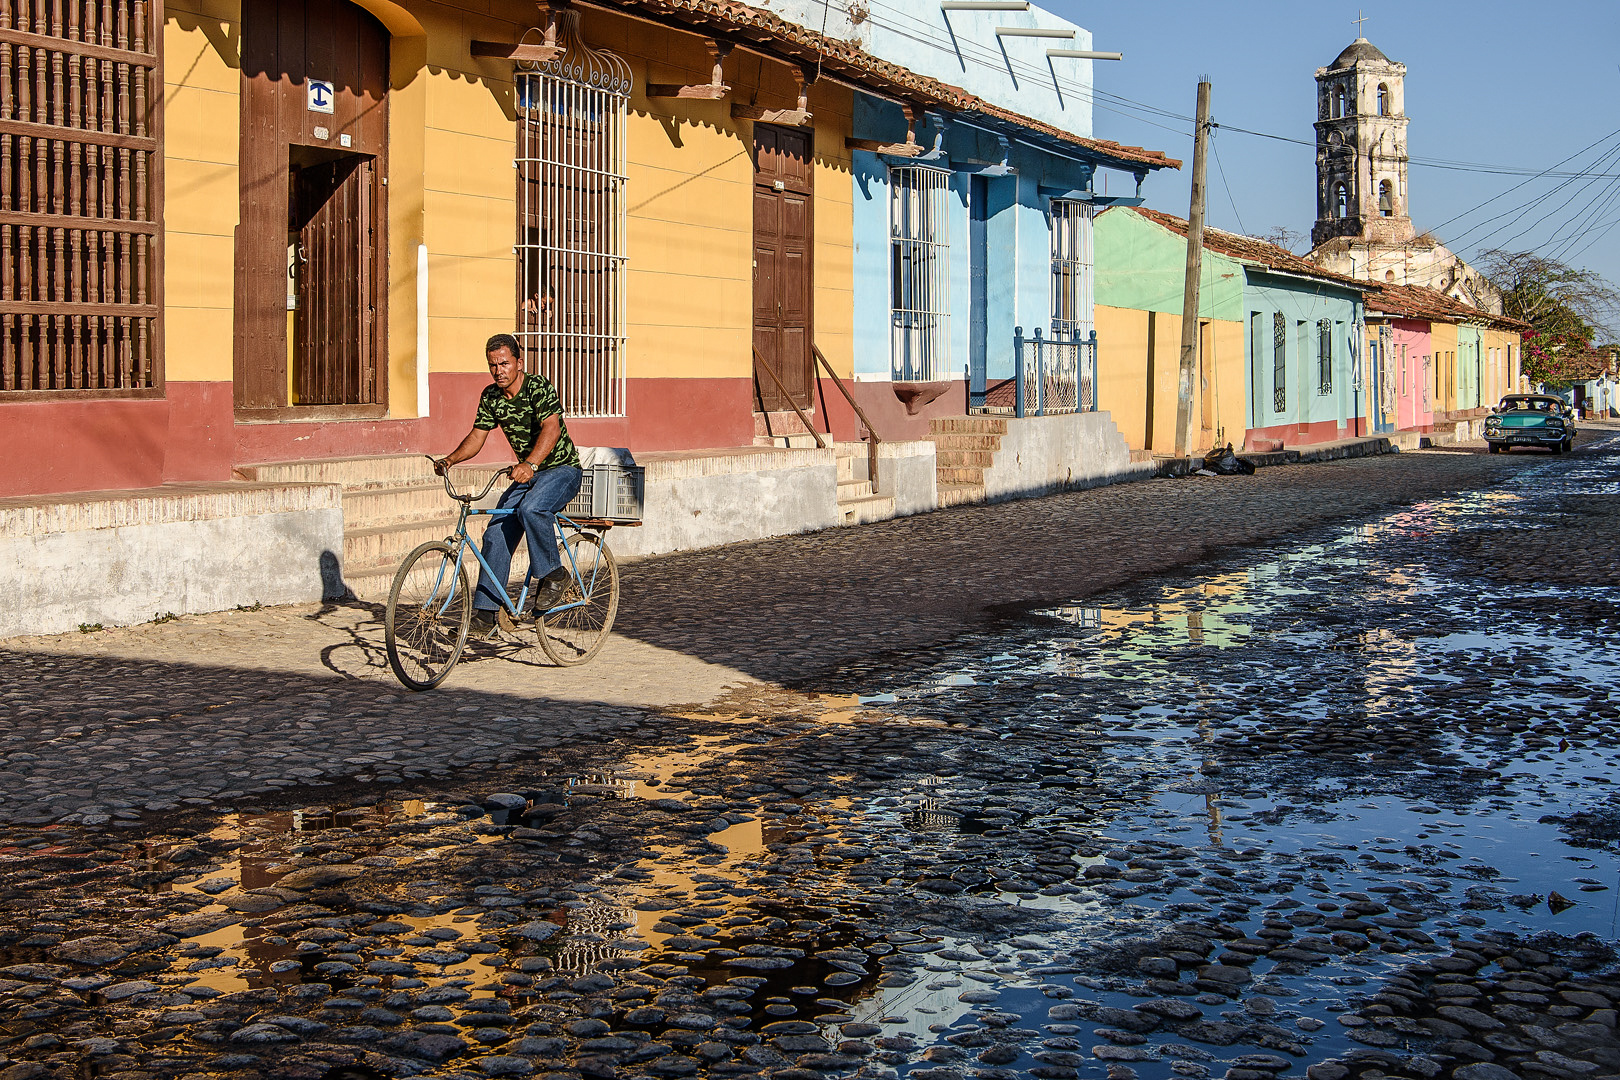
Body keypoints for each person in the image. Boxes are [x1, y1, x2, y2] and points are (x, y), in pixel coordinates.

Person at [435, 334, 582, 636]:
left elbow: (551, 427)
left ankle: (554, 574)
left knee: (531, 509)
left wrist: (531, 464)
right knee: (496, 532)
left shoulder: (537, 387)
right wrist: (449, 460)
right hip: (527, 474)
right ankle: (486, 614)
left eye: (504, 363)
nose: (498, 370)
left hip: (560, 470)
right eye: (492, 365)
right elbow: (477, 437)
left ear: (518, 362)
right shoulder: (491, 397)